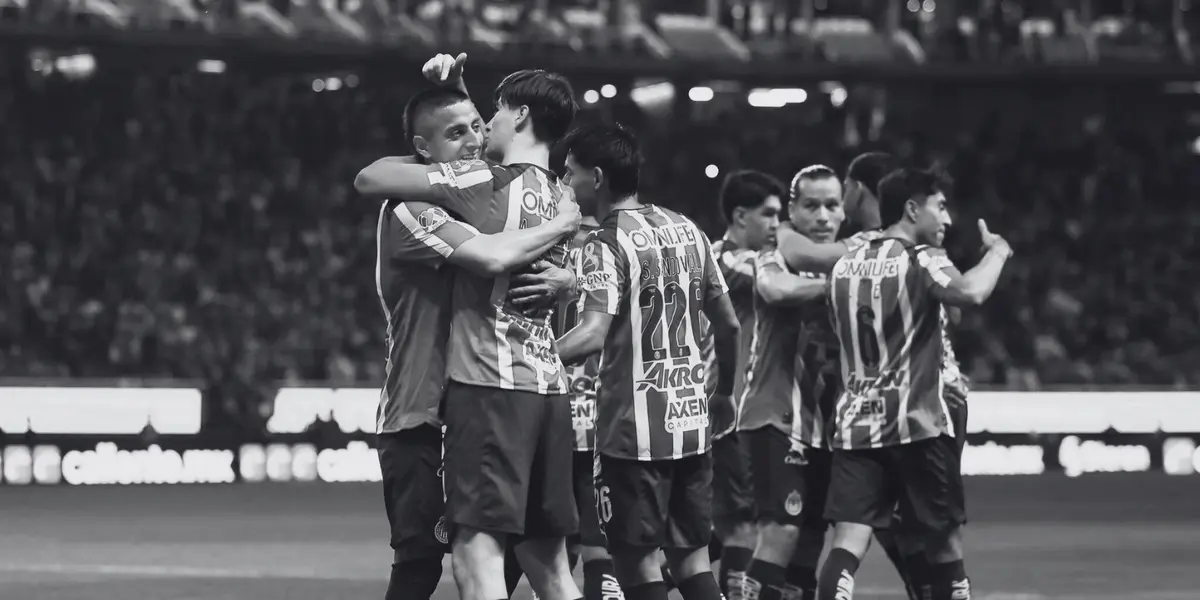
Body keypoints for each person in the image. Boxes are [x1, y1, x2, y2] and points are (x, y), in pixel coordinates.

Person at [355, 63, 584, 600]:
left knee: (496, 563)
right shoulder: (411, 209)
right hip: (421, 411)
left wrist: (570, 278)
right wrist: (563, 228)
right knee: (421, 564)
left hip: (480, 399)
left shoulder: (483, 192)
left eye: (481, 125)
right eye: (457, 133)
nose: (476, 139)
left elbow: (491, 178)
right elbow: (490, 249)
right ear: (422, 150)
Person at [556, 123, 740, 600]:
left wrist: (530, 358)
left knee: (636, 568)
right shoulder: (687, 229)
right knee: (693, 563)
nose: (565, 184)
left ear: (596, 177)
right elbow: (729, 325)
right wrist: (723, 392)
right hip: (691, 421)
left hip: (631, 435)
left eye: (569, 173)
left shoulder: (604, 242)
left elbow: (592, 334)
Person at [816, 168, 1013, 600]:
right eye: (939, 207)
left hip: (856, 425)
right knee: (943, 545)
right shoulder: (921, 257)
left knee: (847, 542)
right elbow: (970, 293)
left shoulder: (843, 265)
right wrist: (997, 253)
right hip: (917, 423)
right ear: (911, 209)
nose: (946, 219)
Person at [737, 165, 843, 600]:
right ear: (792, 212)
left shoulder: (843, 260)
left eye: (831, 205)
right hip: (774, 417)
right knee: (780, 531)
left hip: (825, 427)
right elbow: (777, 291)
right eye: (811, 206)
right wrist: (842, 284)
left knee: (812, 540)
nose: (822, 216)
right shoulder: (772, 253)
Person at [707, 170, 784, 598]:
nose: (777, 225)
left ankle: (651, 583)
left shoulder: (719, 257)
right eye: (769, 215)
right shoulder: (732, 261)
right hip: (731, 407)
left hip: (734, 407)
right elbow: (781, 286)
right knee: (743, 525)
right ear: (740, 216)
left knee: (728, 523)